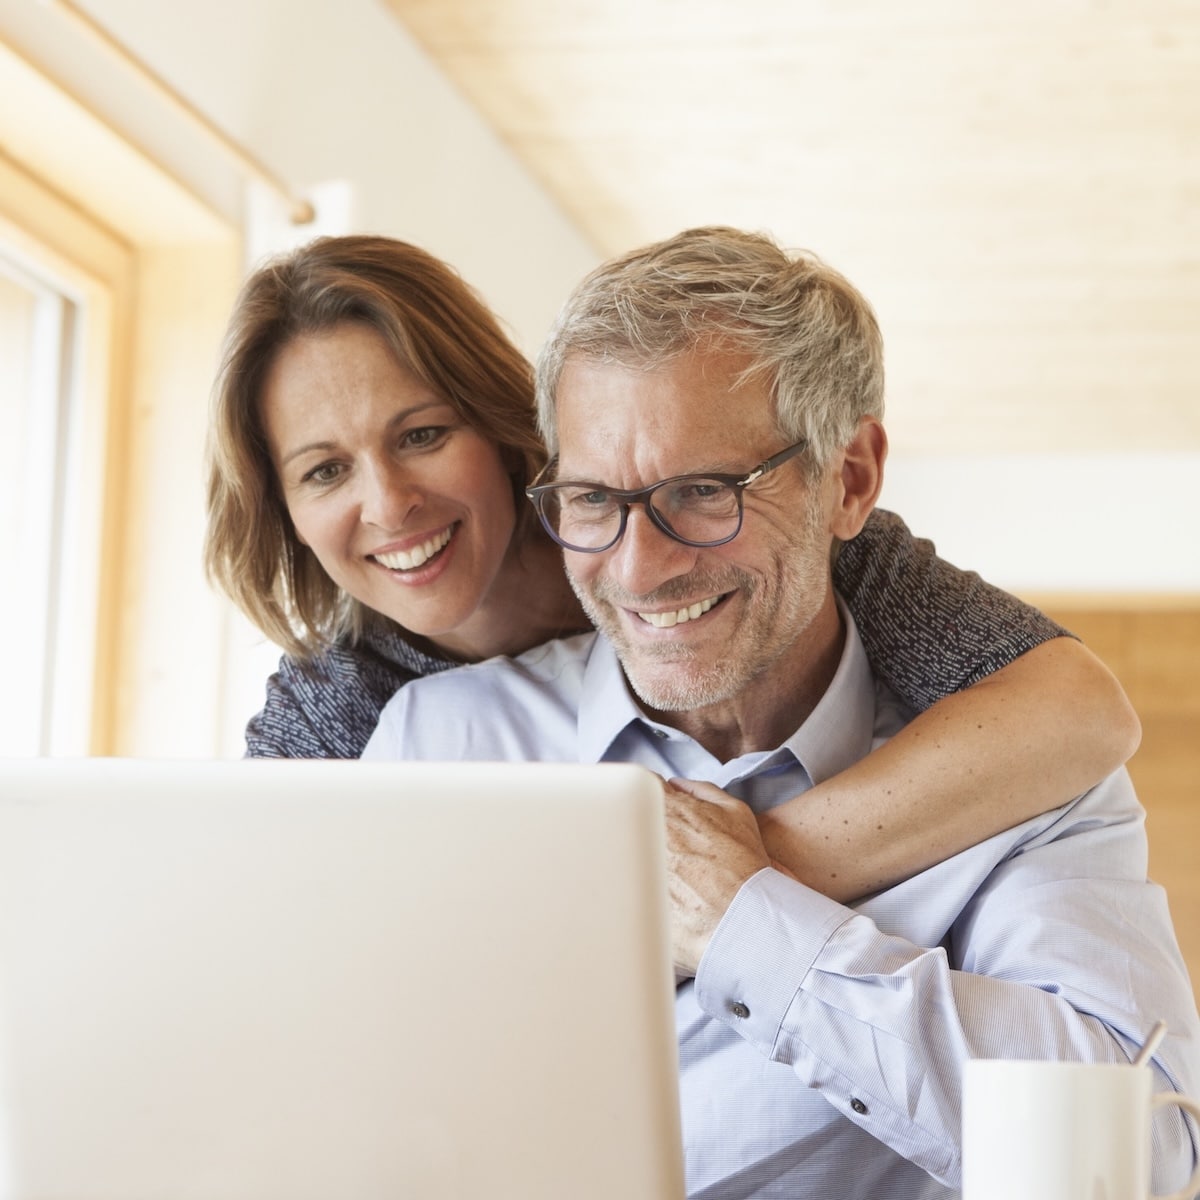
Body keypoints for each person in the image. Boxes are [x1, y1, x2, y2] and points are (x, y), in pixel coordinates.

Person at [362, 226, 1200, 1197]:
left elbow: (1139, 1149)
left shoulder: (1032, 785)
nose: (638, 569)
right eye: (593, 500)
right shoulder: (444, 744)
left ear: (849, 480)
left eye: (703, 493)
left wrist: (752, 932)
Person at [204, 233, 1138, 901]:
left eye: (422, 435)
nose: (388, 503)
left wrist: (733, 880)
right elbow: (251, 914)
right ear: (281, 508)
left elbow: (1080, 711)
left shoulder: (813, 554)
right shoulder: (343, 703)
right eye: (323, 470)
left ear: (502, 430)